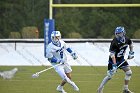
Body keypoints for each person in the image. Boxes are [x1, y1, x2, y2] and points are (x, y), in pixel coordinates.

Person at [97, 26, 134, 93]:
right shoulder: (114, 42)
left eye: (119, 33)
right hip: (113, 60)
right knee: (109, 76)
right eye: (117, 33)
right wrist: (114, 64)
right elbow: (112, 55)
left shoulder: (127, 39)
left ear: (123, 33)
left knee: (129, 73)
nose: (118, 35)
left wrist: (131, 52)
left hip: (121, 59)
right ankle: (100, 88)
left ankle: (125, 89)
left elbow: (131, 44)